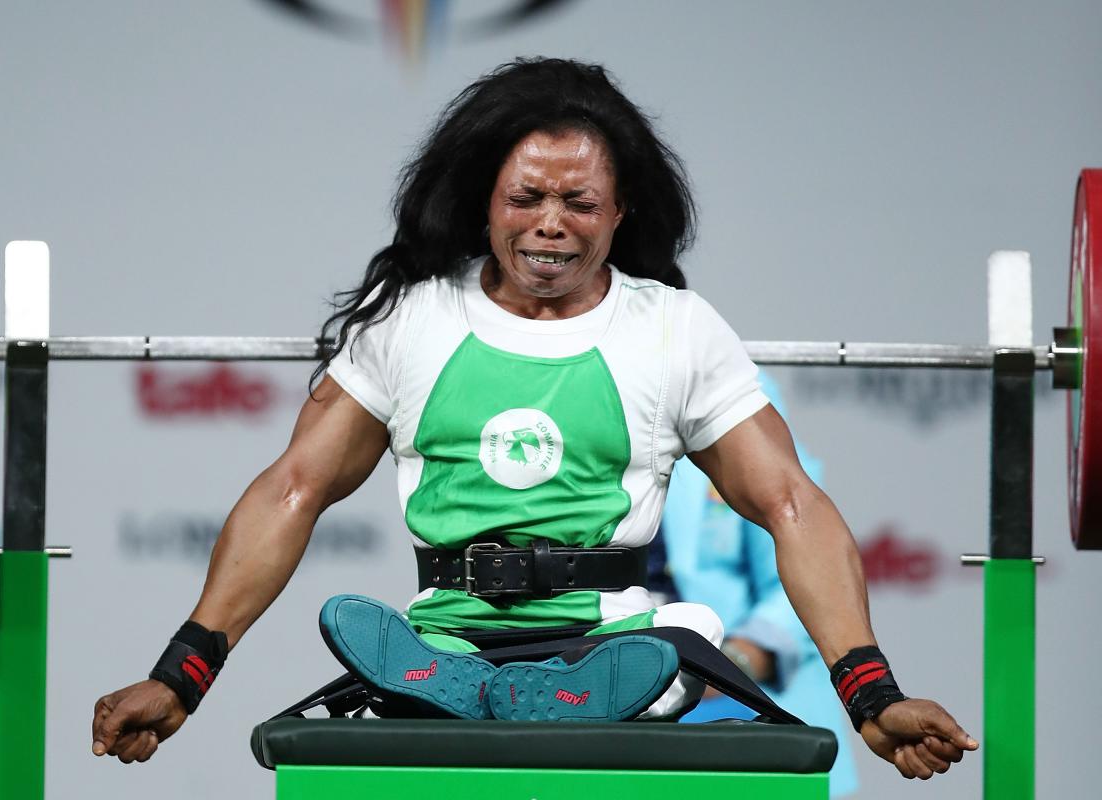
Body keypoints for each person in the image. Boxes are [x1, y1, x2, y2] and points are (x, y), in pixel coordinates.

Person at [91, 58, 976, 781]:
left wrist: (870, 691)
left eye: (580, 204)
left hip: (612, 636)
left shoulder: (672, 328)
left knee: (681, 647)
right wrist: (183, 675)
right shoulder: (410, 319)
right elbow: (293, 489)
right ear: (486, 199)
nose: (550, 226)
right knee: (443, 651)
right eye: (526, 199)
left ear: (620, 211)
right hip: (446, 632)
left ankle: (553, 687)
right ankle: (448, 681)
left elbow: (790, 502)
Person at [655, 373, 859, 796]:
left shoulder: (723, 382)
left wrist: (733, 664)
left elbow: (808, 558)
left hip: (740, 702)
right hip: (602, 699)